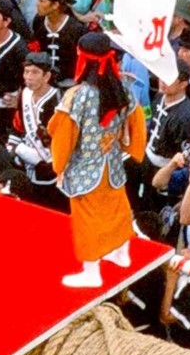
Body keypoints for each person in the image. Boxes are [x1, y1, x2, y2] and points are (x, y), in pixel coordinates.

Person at [50, 31, 147, 288]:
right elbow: (136, 122)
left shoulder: (79, 94)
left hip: (85, 166)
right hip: (113, 161)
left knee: (87, 218)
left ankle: (91, 271)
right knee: (117, 207)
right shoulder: (123, 86)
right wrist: (131, 147)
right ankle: (121, 251)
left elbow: (64, 132)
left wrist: (59, 164)